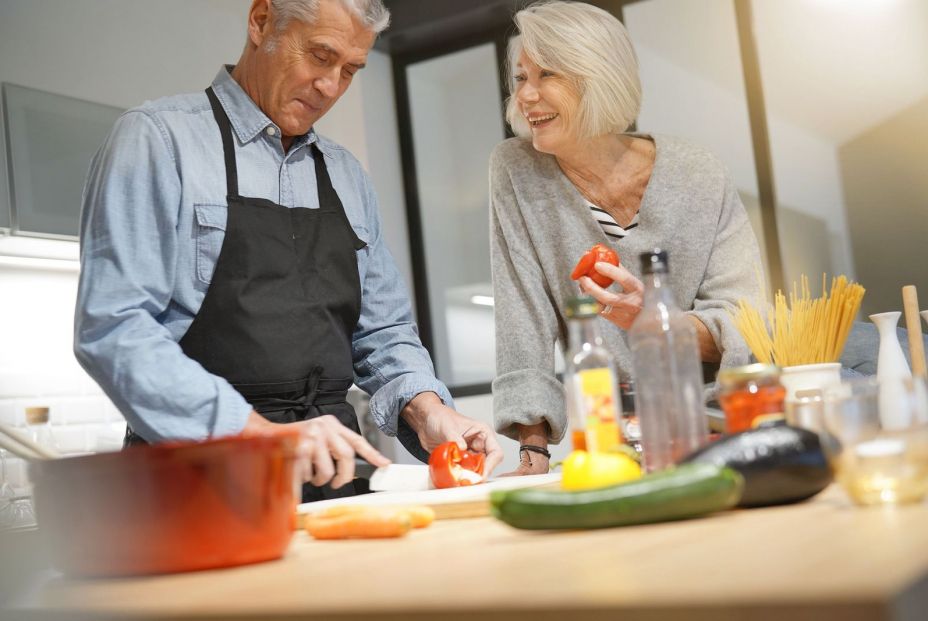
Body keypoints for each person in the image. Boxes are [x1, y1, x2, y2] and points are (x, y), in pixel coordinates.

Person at [74, 0, 502, 501]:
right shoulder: (159, 140)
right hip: (197, 482)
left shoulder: (345, 174)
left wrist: (430, 410)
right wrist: (260, 436)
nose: (331, 88)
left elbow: (383, 332)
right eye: (320, 57)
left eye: (350, 71)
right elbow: (114, 327)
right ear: (261, 22)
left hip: (333, 475)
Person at [490, 1, 764, 475]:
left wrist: (657, 324)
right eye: (520, 78)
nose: (526, 97)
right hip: (614, 436)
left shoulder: (697, 172)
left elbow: (748, 320)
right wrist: (532, 453)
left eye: (547, 75)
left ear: (598, 77)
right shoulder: (516, 170)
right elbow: (522, 318)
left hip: (725, 423)